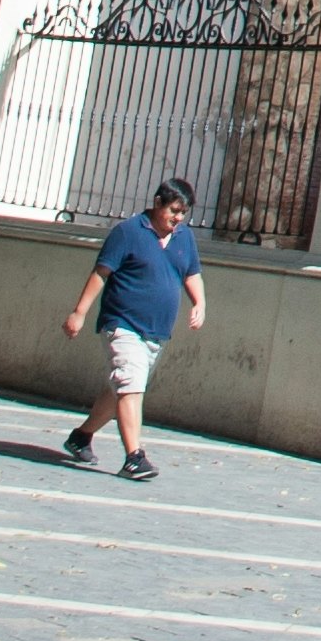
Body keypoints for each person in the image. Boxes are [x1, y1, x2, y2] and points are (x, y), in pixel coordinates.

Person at [60, 179, 205, 482]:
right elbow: (101, 273)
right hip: (122, 324)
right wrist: (79, 313)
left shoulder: (184, 237)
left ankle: (81, 437)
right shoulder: (127, 232)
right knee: (131, 385)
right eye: (174, 210)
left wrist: (199, 303)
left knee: (122, 388)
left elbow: (192, 274)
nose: (178, 218)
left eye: (183, 212)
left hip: (156, 333)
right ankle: (134, 458)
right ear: (157, 202)